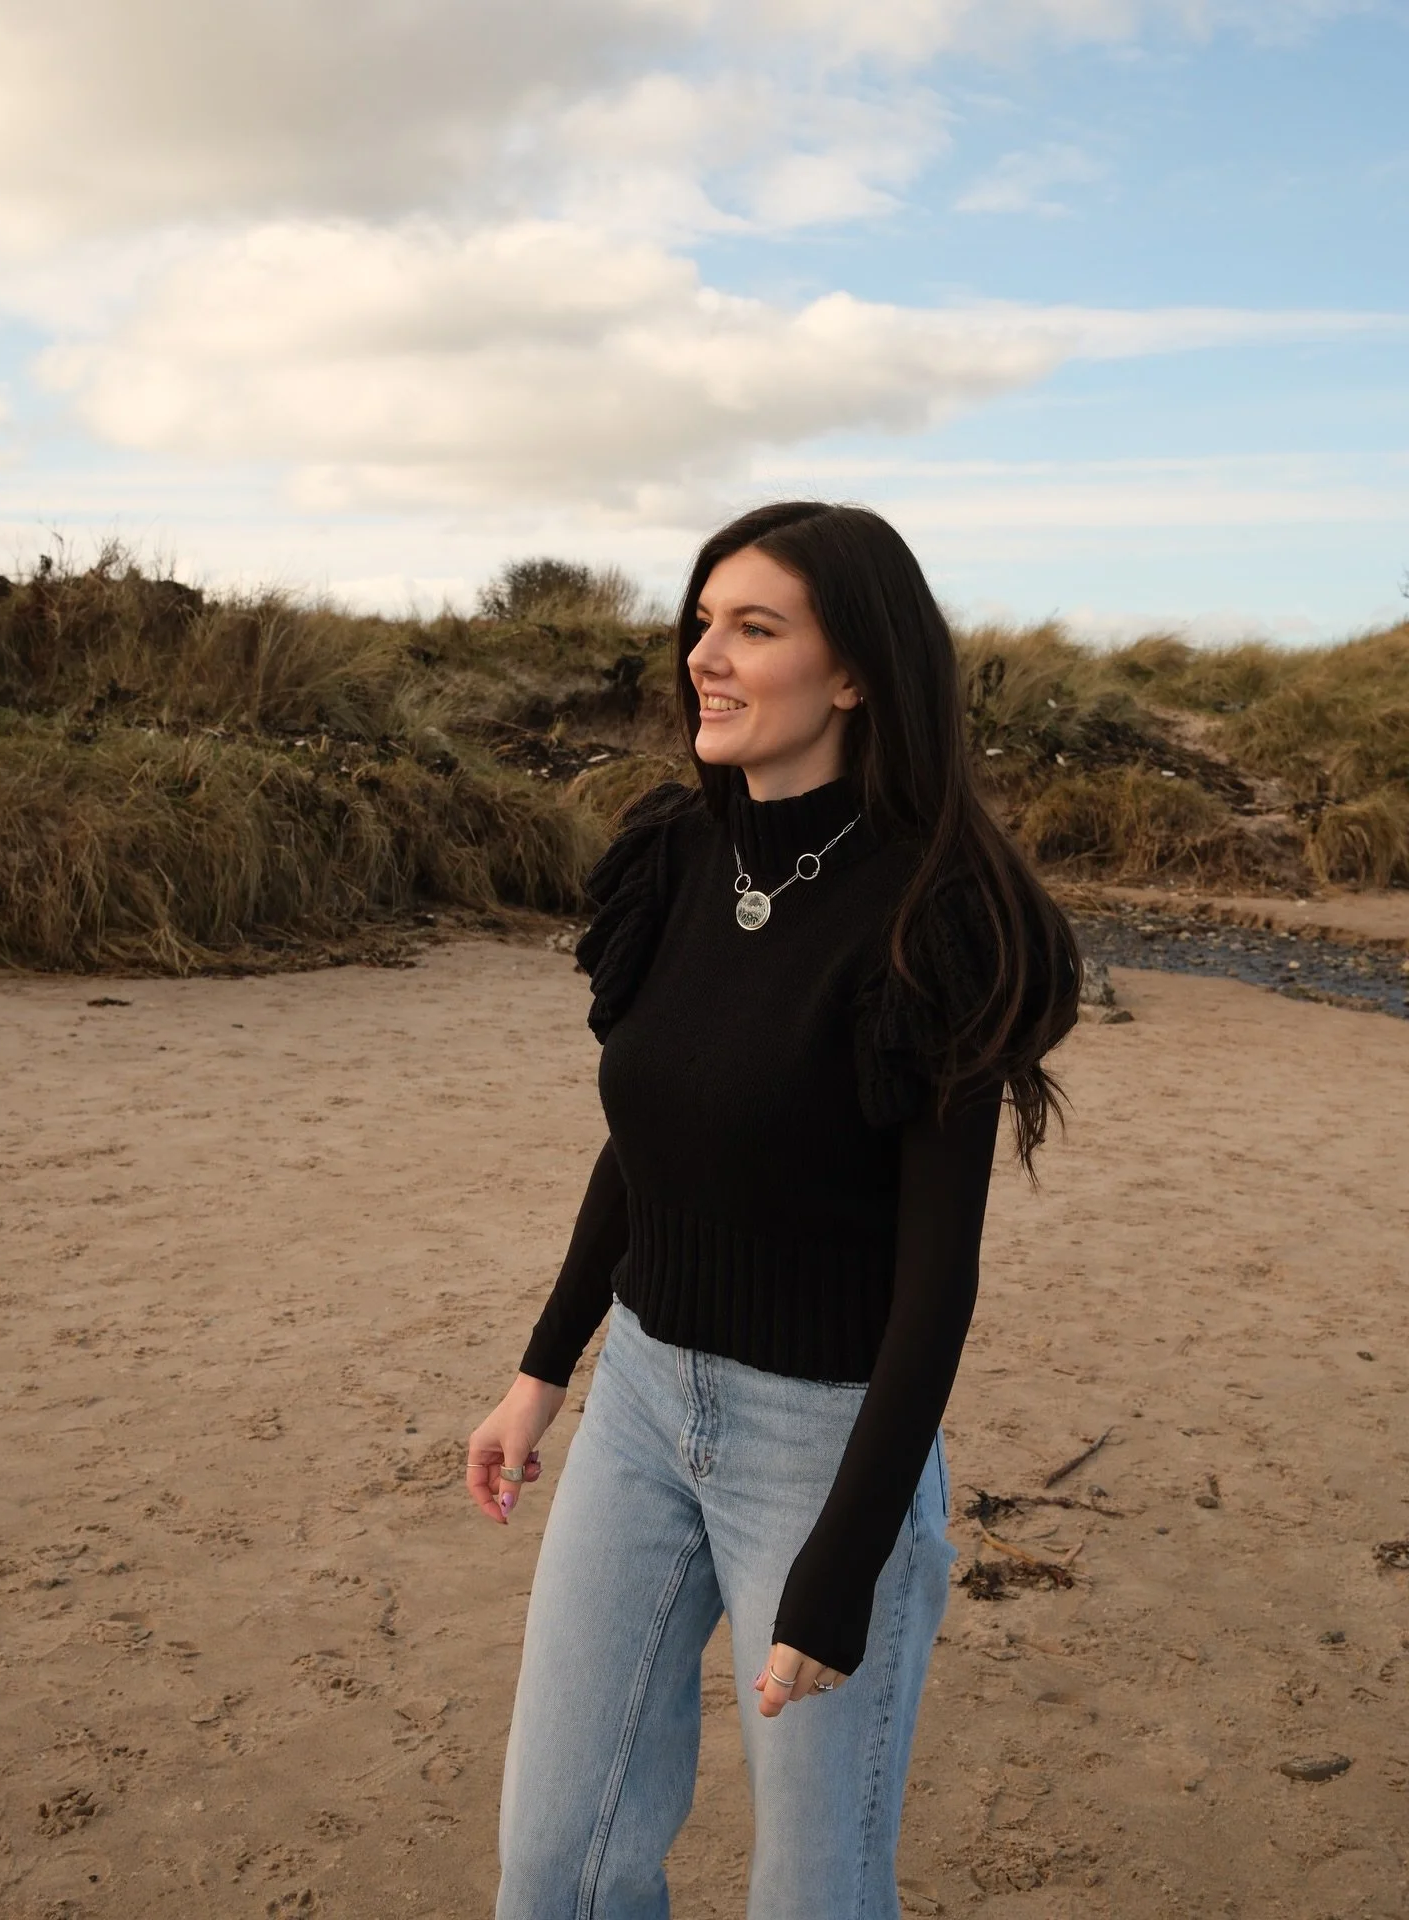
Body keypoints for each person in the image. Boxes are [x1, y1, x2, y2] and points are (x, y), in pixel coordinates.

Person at [467, 501, 1082, 1919]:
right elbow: (652, 1146)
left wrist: (845, 1561)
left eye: (755, 628)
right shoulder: (678, 857)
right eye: (700, 623)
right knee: (557, 1860)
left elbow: (938, 1286)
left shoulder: (940, 912)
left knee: (815, 1887)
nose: (706, 658)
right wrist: (541, 1374)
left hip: (825, 1441)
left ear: (854, 672)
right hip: (640, 1409)